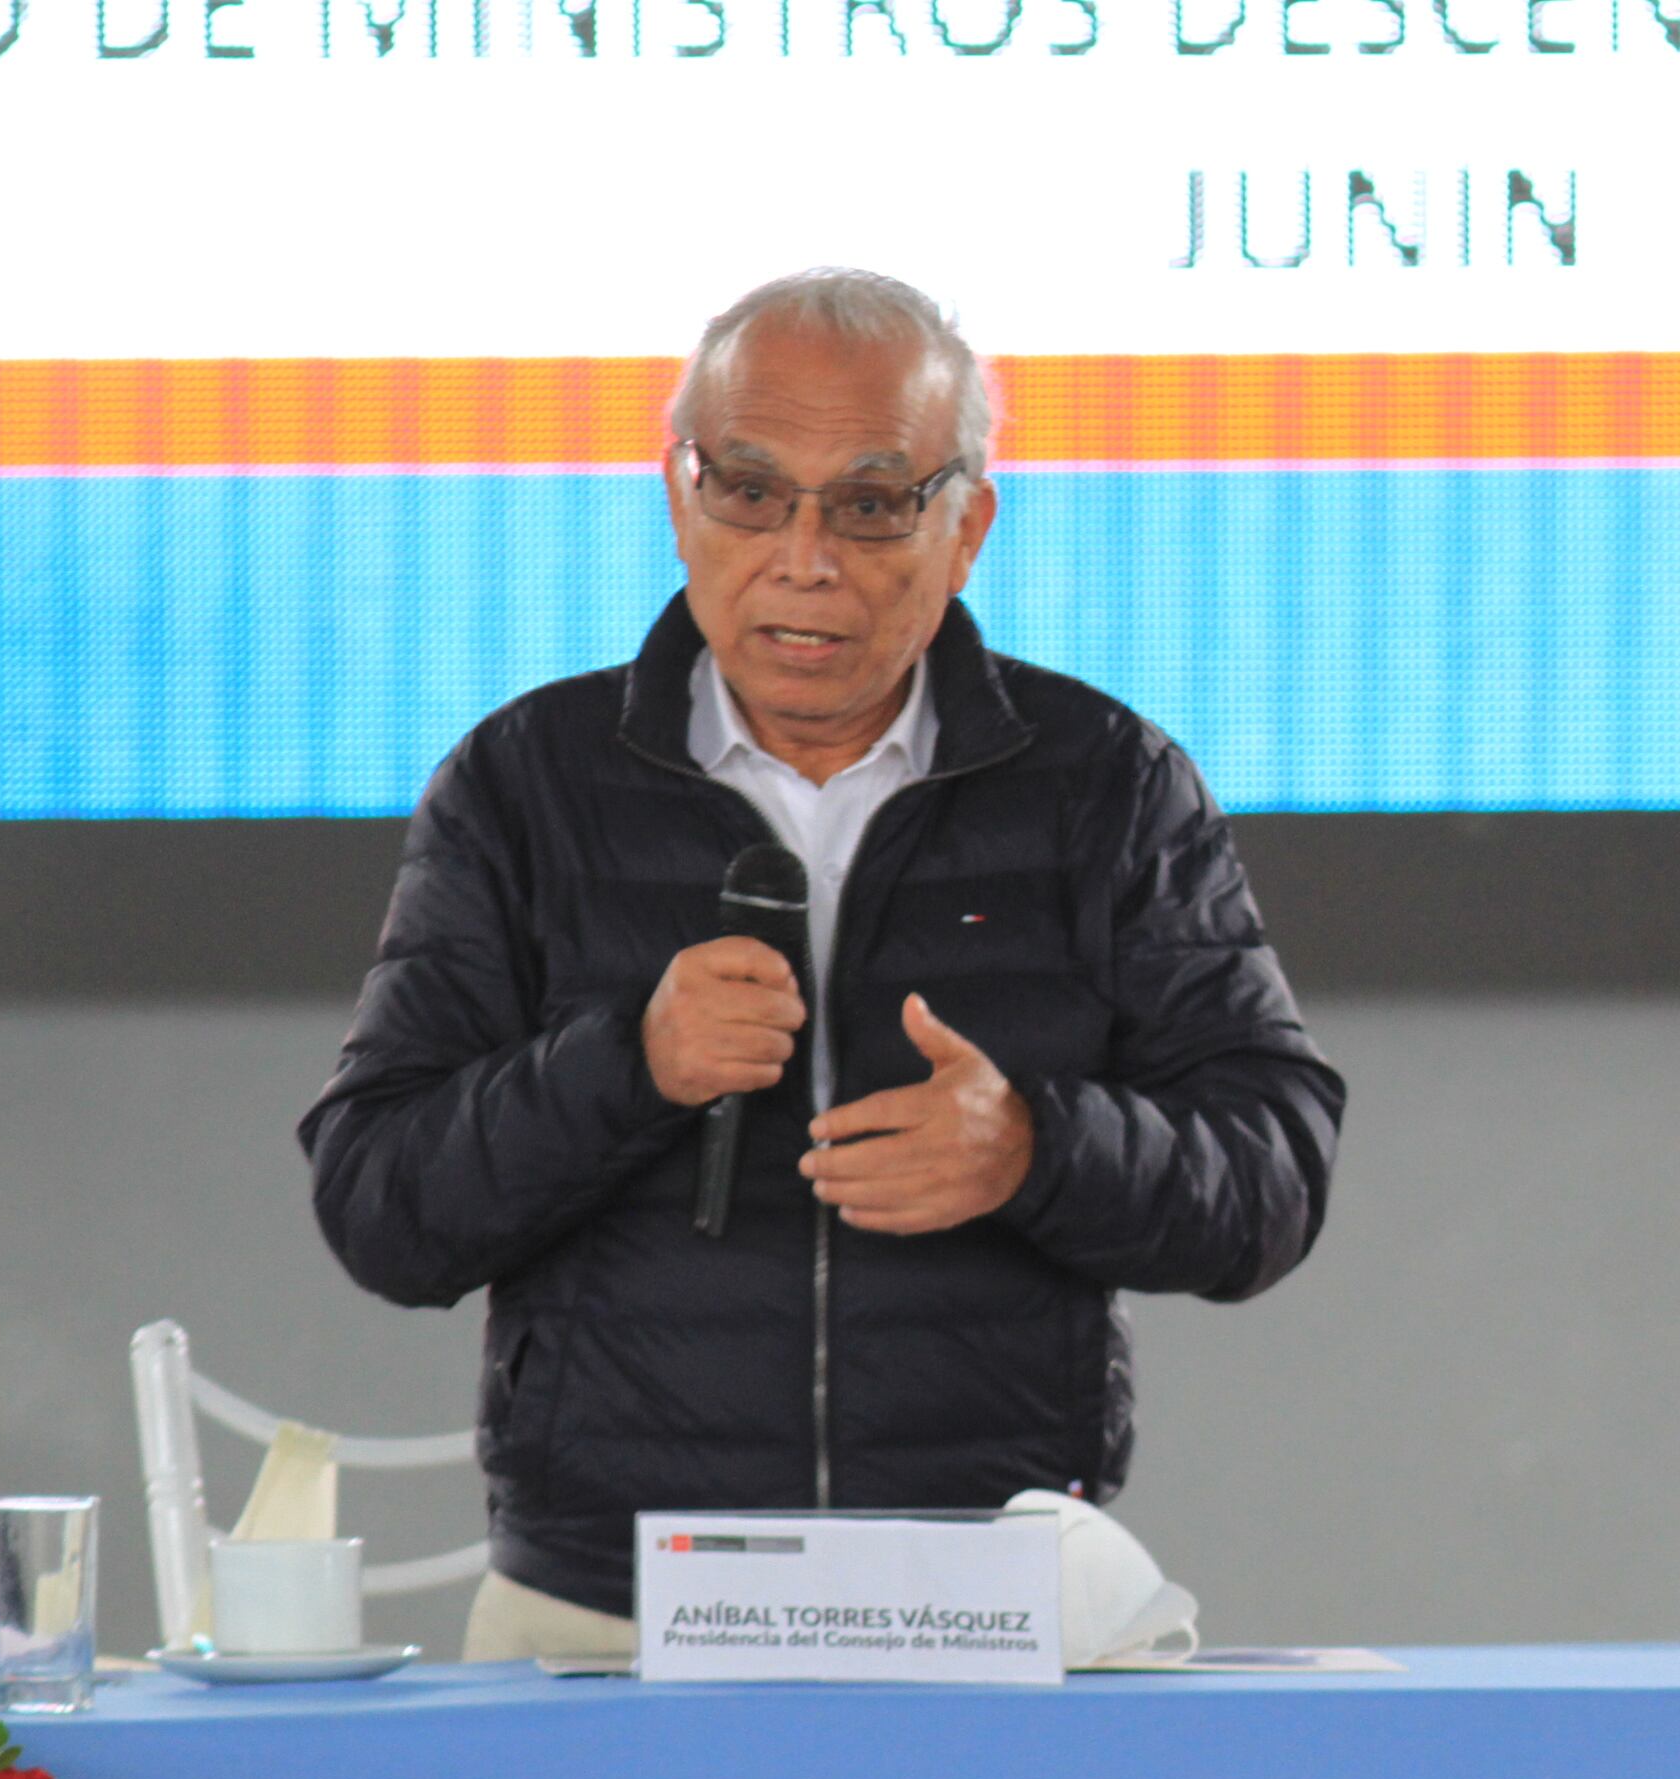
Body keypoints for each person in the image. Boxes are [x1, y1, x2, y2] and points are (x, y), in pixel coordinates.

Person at [302, 270, 1345, 1662]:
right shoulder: (528, 784)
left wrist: (1032, 1147)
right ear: (681, 501)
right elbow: (380, 1202)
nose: (803, 558)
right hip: (602, 1616)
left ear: (966, 525)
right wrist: (629, 1066)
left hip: (989, 1607)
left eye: (867, 504)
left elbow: (1272, 1171)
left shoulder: (1102, 785)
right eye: (749, 492)